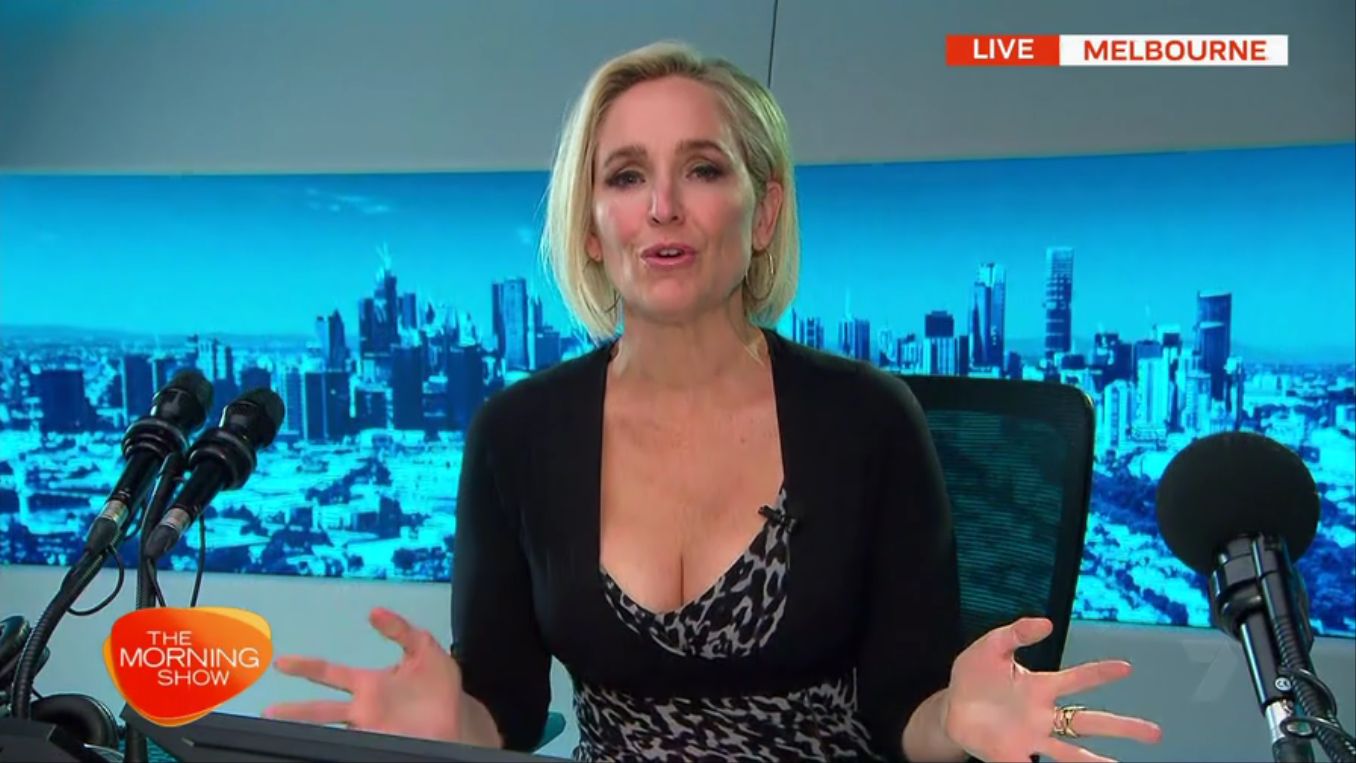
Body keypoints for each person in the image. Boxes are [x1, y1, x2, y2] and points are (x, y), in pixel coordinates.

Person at [265, 41, 1164, 762]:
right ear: (591, 226)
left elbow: (906, 713)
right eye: (625, 176)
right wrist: (447, 724)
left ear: (763, 213)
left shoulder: (868, 420)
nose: (662, 206)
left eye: (701, 169)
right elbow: (506, 704)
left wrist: (960, 720)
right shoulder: (517, 432)